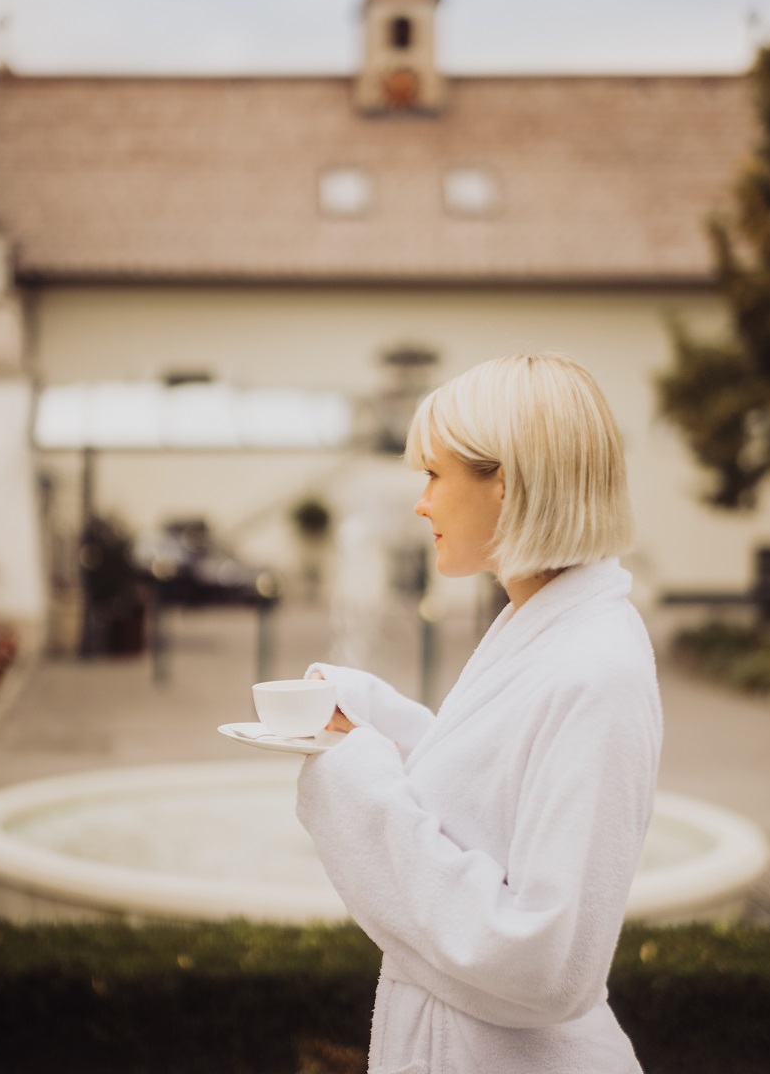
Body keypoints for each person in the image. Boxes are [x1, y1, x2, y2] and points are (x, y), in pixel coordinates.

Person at [296, 353, 662, 1074]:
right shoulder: (544, 626)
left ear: (509, 483)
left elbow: (549, 962)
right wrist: (371, 721)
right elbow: (491, 804)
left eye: (434, 474)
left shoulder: (596, 669)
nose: (420, 501)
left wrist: (356, 778)